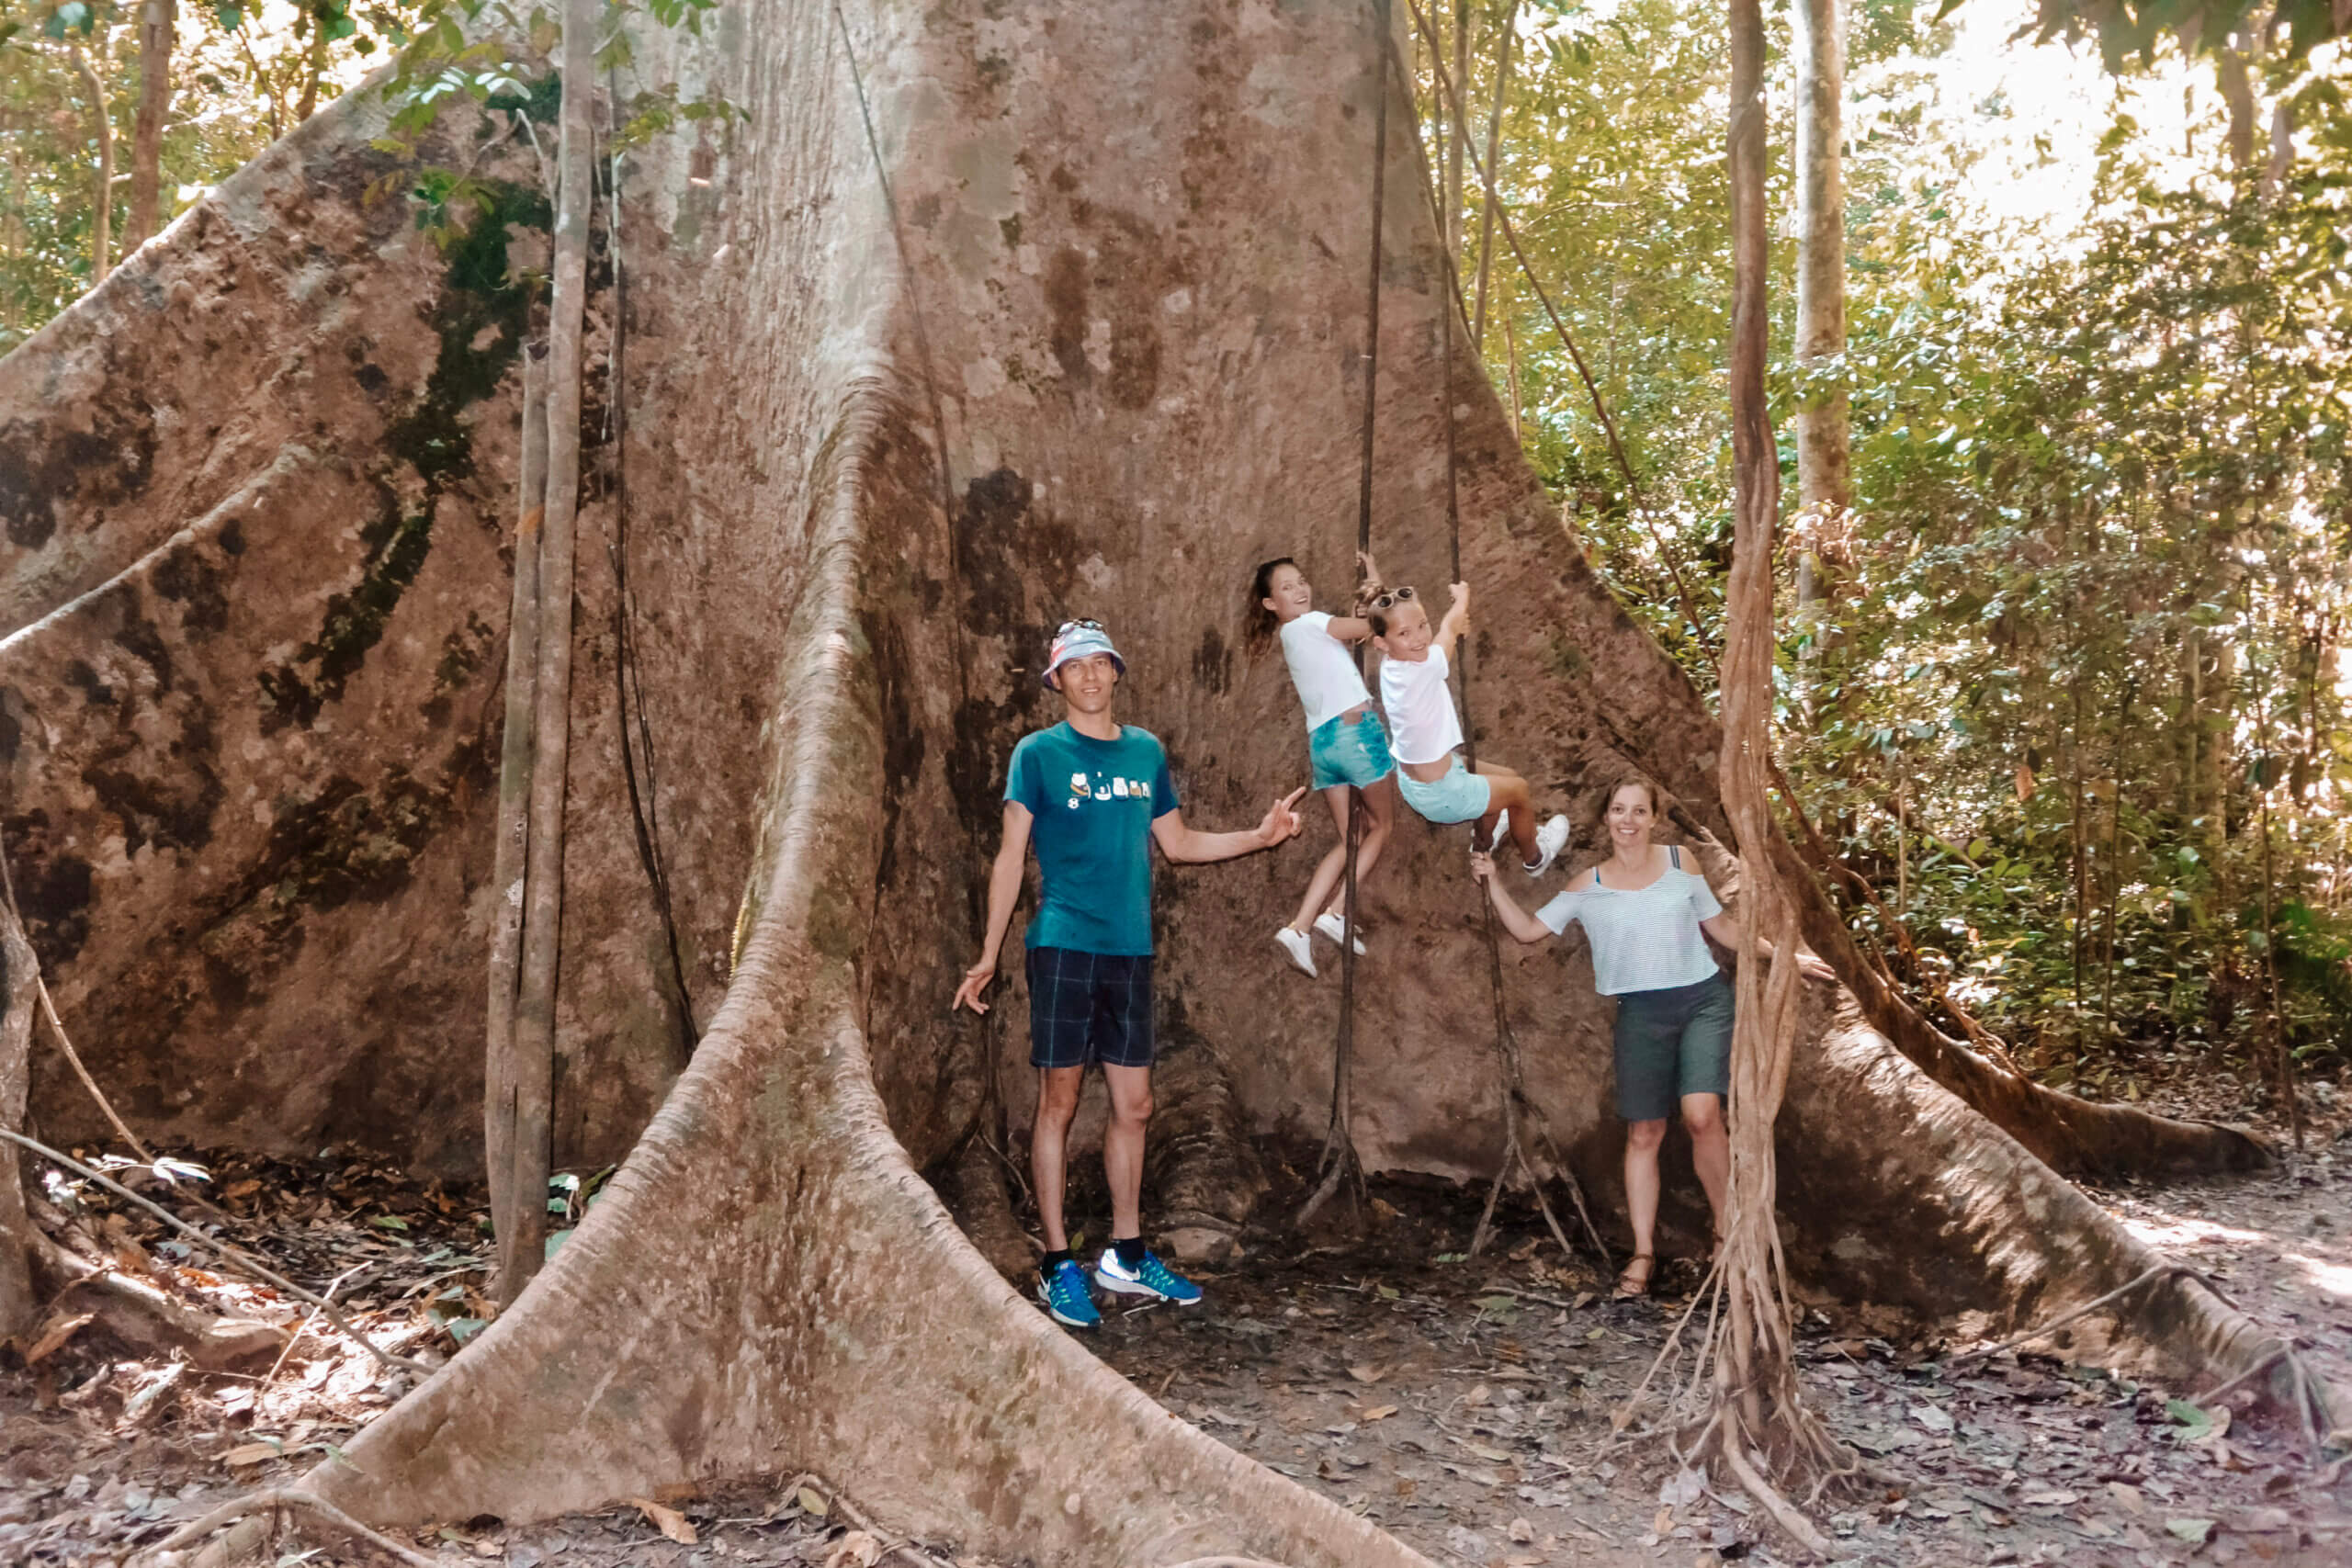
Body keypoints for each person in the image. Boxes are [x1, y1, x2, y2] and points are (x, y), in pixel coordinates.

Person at [952, 619, 1306, 1331]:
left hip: (1129, 950)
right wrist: (989, 951)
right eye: (1073, 667)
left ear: (1116, 671)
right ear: (1056, 681)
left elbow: (1177, 843)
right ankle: (1057, 1262)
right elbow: (1009, 857)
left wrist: (1258, 837)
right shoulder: (1038, 754)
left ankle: (1125, 1250)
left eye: (1099, 664)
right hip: (1063, 943)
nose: (1088, 676)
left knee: (1136, 1104)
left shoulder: (1145, 752)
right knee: (1058, 1099)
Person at [1469, 773, 1833, 1299]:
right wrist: (1492, 881)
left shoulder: (1681, 862)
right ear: (1606, 818)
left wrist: (1784, 957)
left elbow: (1723, 929)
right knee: (1645, 1133)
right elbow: (1528, 931)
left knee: (1702, 1113)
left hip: (1702, 1001)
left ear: (1654, 818)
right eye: (1619, 810)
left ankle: (1727, 1233)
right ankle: (1642, 1253)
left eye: (1639, 811)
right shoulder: (1586, 887)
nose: (1629, 821)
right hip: (1641, 1013)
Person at [1246, 552, 1399, 979]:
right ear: (1270, 604)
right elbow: (1376, 625)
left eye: (1301, 581)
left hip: (1324, 746)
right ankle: (1335, 913)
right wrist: (1377, 585)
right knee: (1382, 828)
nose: (1299, 589)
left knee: (1351, 838)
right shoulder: (1313, 624)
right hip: (1356, 735)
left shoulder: (1295, 635)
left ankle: (1299, 927)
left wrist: (1361, 609)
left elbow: (1351, 636)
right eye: (1287, 587)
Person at [1366, 577, 1568, 875]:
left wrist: (1451, 628)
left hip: (1424, 776)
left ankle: (1483, 841)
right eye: (1404, 633)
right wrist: (1461, 599)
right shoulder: (1423, 667)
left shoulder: (1393, 665)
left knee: (1508, 776)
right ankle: (1535, 858)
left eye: (1422, 625)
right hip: (1443, 791)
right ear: (1382, 643)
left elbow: (1440, 638)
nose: (1419, 638)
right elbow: (1447, 630)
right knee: (1521, 791)